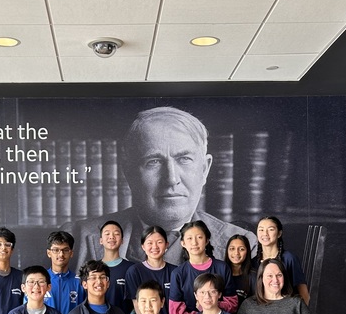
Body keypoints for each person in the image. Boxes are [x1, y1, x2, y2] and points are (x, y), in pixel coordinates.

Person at [68, 107, 257, 266]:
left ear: (205, 169)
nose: (171, 179)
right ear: (129, 172)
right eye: (154, 161)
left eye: (184, 159)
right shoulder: (76, 240)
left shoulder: (243, 245)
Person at [168, 220, 238, 314]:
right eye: (189, 238)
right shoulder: (178, 274)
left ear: (207, 240)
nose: (194, 243)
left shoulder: (222, 268)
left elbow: (232, 303)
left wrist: (209, 307)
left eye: (199, 237)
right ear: (183, 243)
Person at [125, 225, 177, 314]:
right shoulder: (134, 271)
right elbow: (137, 304)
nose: (155, 247)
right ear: (143, 246)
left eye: (159, 242)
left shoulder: (176, 272)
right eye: (149, 243)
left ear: (166, 245)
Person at [253, 216, 309, 305]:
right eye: (261, 230)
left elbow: (304, 294)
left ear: (279, 233)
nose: (265, 233)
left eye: (271, 229)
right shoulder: (253, 262)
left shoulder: (289, 259)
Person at [43, 230, 84, 314]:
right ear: (48, 253)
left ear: (71, 253)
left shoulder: (80, 282)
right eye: (56, 250)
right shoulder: (40, 280)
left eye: (65, 250)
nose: (61, 254)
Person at [96, 220, 133, 312]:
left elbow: (140, 298)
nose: (111, 237)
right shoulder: (92, 268)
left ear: (122, 240)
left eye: (116, 234)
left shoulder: (132, 269)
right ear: (101, 240)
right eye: (107, 234)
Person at [225, 233, 252, 305]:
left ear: (247, 251)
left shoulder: (253, 276)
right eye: (232, 249)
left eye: (241, 249)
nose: (236, 253)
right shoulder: (220, 273)